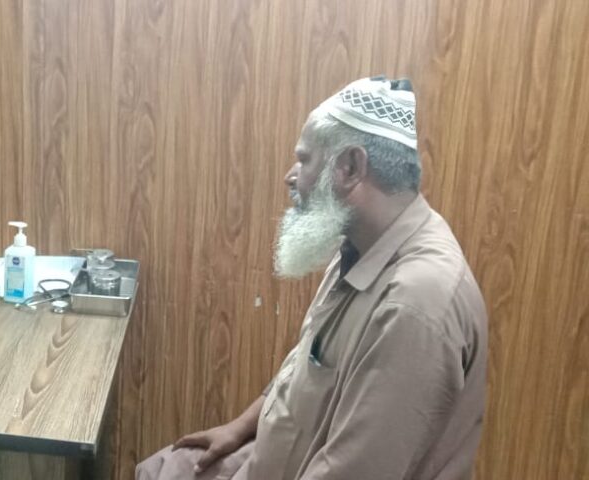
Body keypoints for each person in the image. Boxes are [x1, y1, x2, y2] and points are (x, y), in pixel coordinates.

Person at [137, 77, 488, 479]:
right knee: (162, 469)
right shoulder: (360, 249)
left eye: (304, 160)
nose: (291, 176)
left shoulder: (415, 305)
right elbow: (310, 365)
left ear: (350, 167)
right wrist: (241, 427)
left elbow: (354, 470)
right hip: (271, 458)